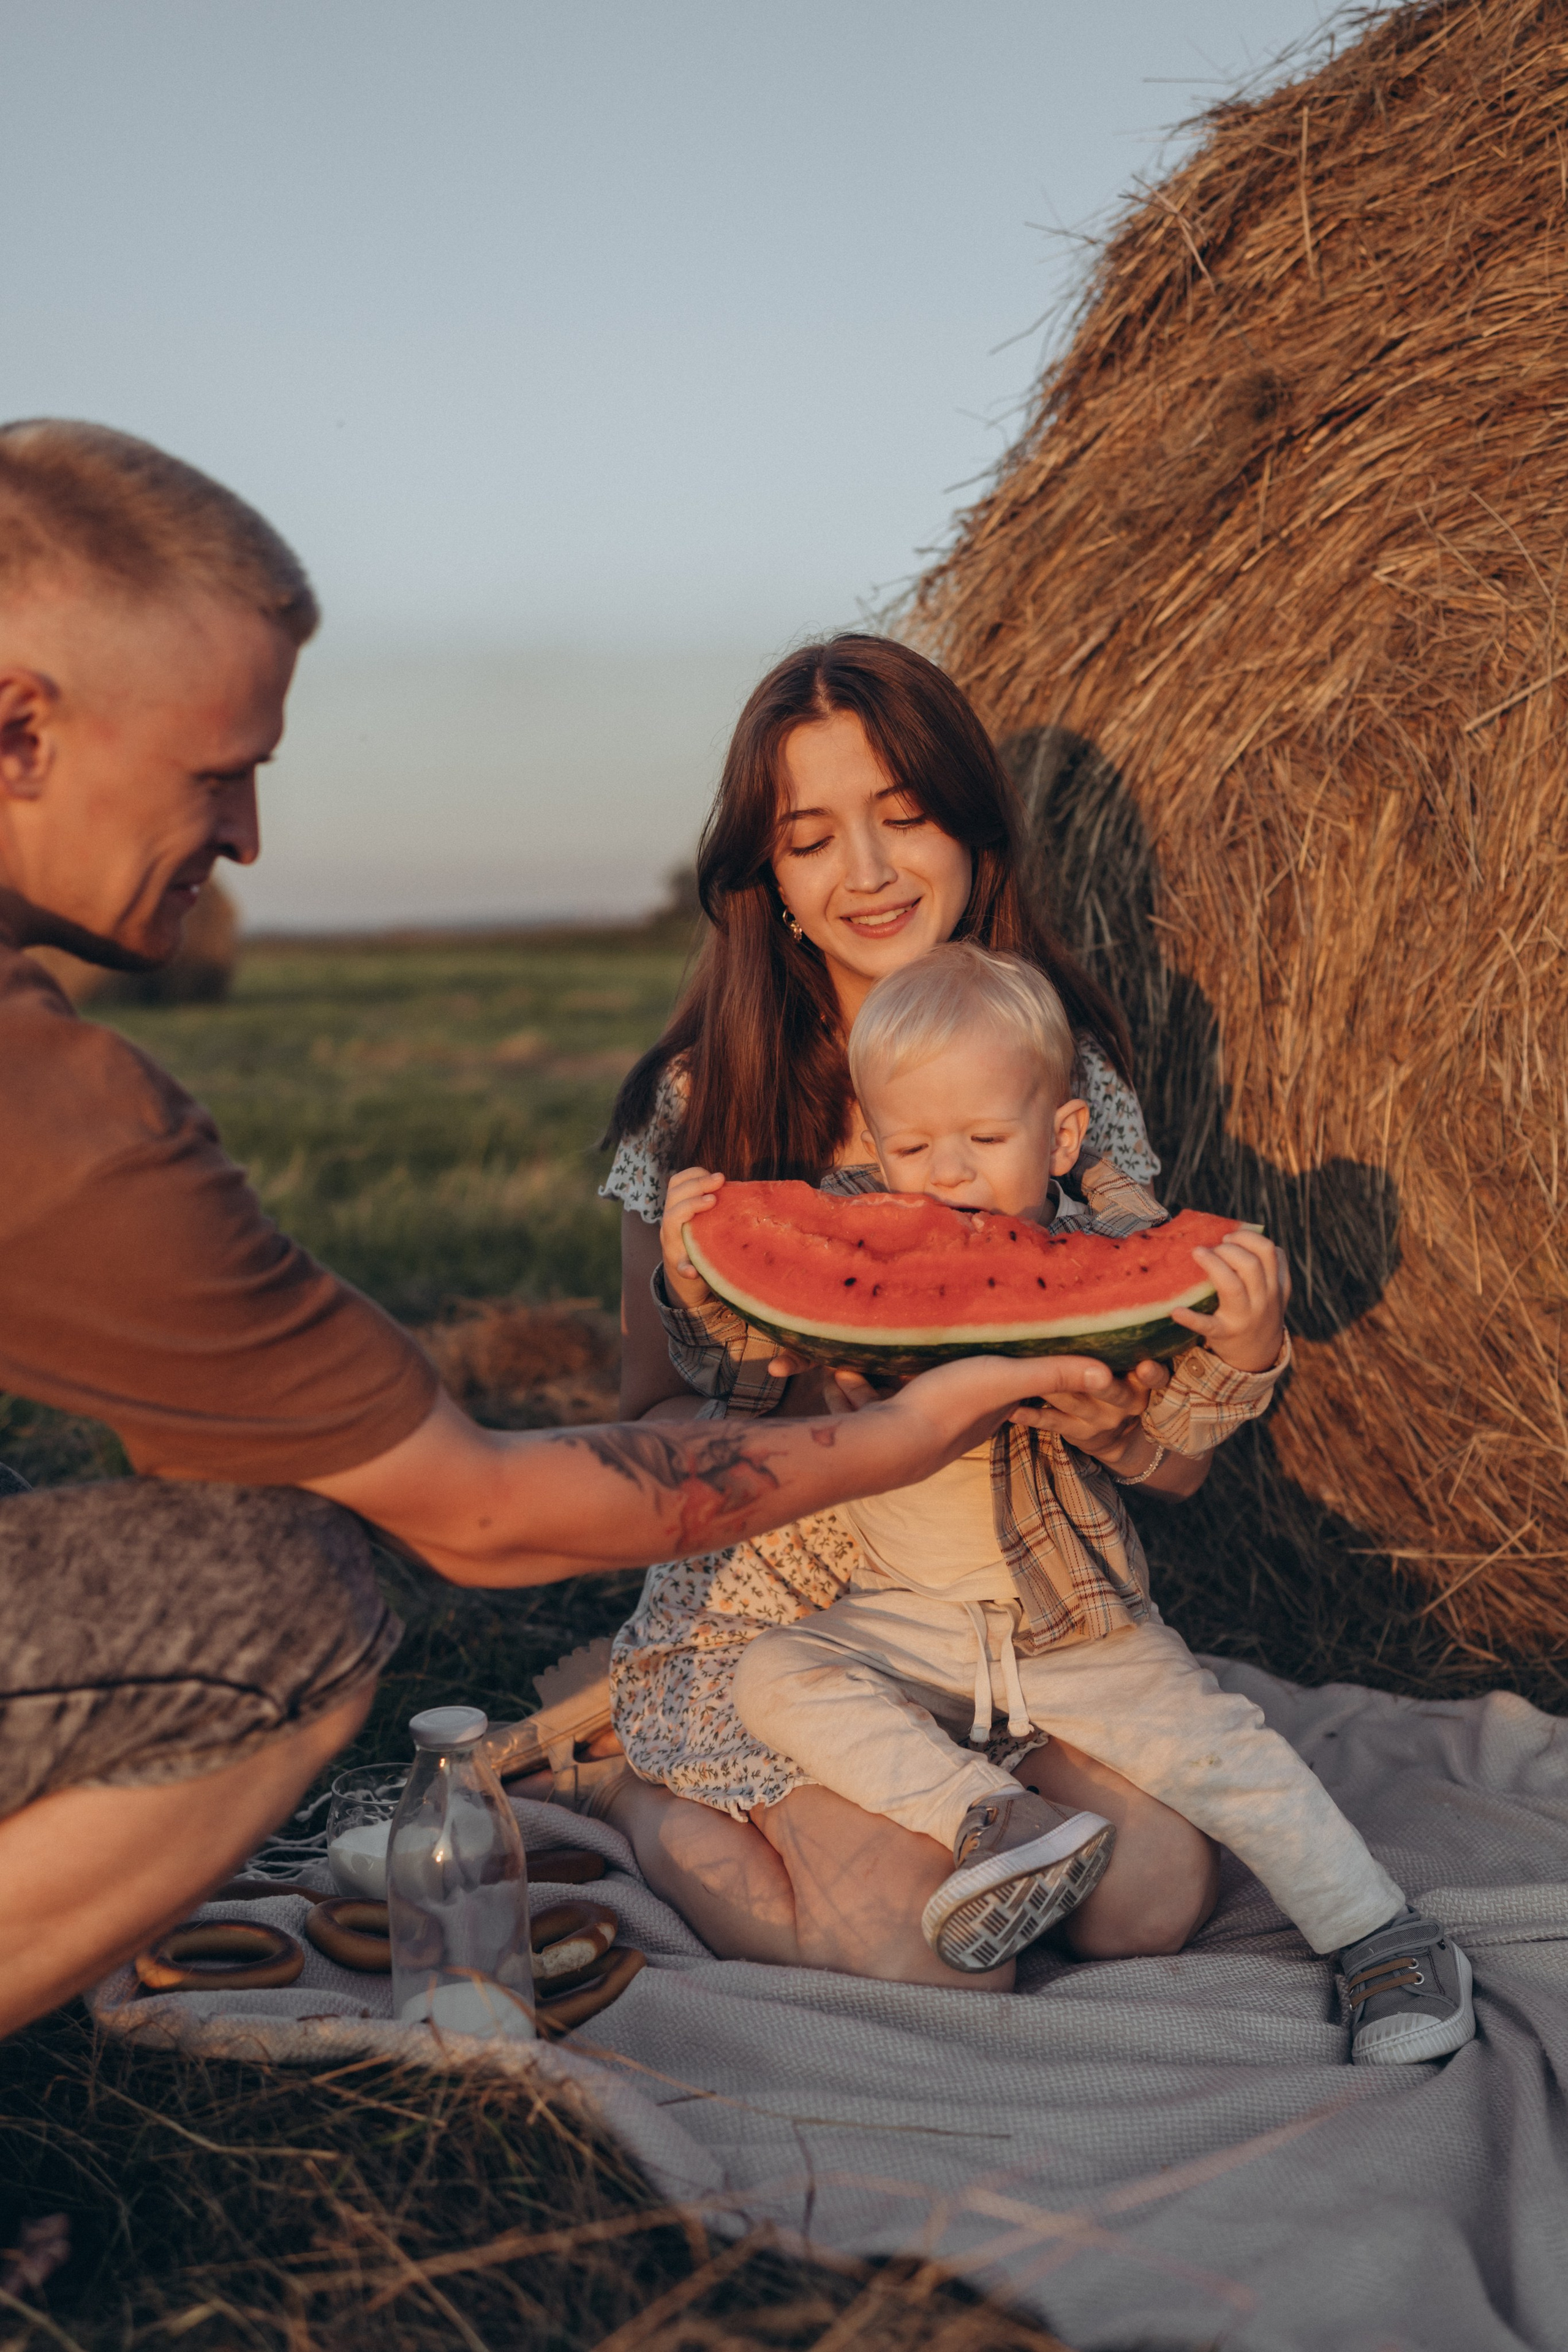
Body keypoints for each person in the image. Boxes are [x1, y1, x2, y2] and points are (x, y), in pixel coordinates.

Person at [0, 421, 1106, 2040]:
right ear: (20, 728)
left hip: (985, 1624)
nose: (246, 838)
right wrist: (919, 1421)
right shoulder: (66, 1119)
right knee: (288, 1598)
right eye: (216, 771)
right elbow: (481, 1516)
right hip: (777, 1628)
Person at [663, 945, 1475, 2064]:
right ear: (870, 1134)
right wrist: (700, 1287)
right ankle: (991, 1819)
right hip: (904, 1615)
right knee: (777, 1672)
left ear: (1061, 1138)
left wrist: (1247, 1344)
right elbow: (746, 1369)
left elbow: (1184, 1423)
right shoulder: (850, 1232)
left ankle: (1381, 1934)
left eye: (985, 1143)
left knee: (1226, 1751)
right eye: (911, 1147)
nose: (945, 1178)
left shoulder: (1109, 1254)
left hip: (1076, 1628)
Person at [573, 634, 1226, 1994]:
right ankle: (625, 1787)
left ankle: (979, 1791)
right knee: (931, 1964)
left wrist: (1129, 1408)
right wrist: (806, 1395)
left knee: (1153, 1900)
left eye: (904, 816)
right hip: (782, 1616)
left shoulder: (1064, 1072)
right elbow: (641, 1415)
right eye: (811, 838)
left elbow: (1167, 1431)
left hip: (1010, 1596)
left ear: (974, 836)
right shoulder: (695, 1105)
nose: (866, 873)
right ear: (770, 883)